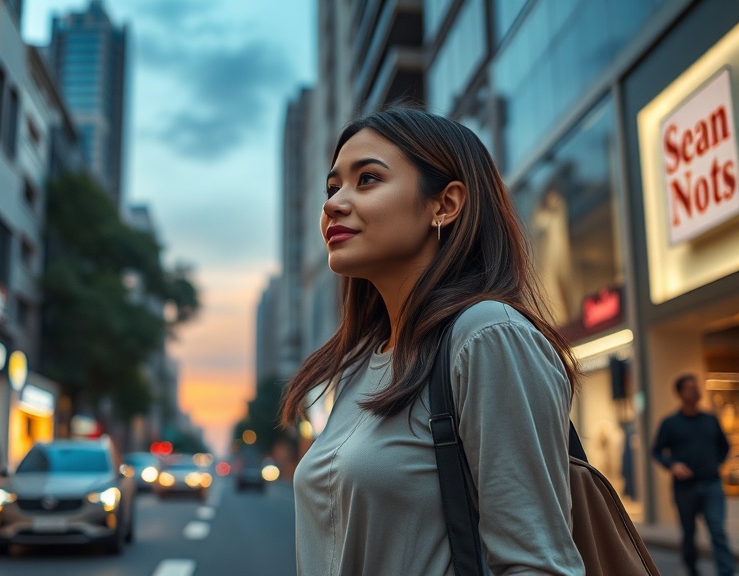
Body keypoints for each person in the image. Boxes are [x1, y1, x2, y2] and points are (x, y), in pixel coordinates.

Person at [282, 105, 585, 575]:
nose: (333, 203)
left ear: (444, 205)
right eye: (332, 186)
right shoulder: (362, 364)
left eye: (367, 180)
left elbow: (537, 564)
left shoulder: (487, 337)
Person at [652, 374, 734, 576]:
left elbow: (724, 446)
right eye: (690, 388)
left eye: (696, 387)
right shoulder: (670, 423)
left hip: (712, 483)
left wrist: (717, 463)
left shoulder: (710, 420)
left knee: (717, 529)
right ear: (680, 393)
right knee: (689, 532)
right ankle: (692, 569)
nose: (695, 391)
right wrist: (673, 465)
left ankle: (726, 571)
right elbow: (656, 451)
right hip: (685, 487)